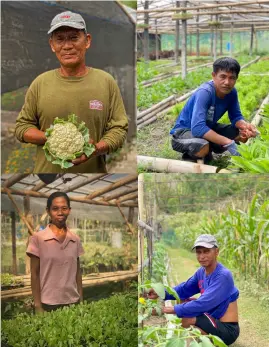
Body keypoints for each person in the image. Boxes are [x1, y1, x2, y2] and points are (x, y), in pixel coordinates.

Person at [15, 11, 128, 173]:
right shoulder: (40, 83)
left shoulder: (106, 82)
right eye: (60, 39)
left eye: (74, 37)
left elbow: (119, 129)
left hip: (94, 177)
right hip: (47, 176)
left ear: (87, 41)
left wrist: (94, 149)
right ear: (52, 45)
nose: (67, 46)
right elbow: (22, 126)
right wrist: (53, 137)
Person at [147, 234, 240, 346]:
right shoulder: (201, 272)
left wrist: (168, 309)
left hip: (227, 330)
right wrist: (160, 293)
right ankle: (195, 339)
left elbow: (203, 304)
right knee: (184, 301)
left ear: (216, 252)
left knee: (188, 315)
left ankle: (192, 341)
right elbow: (183, 289)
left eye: (206, 251)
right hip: (212, 319)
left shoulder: (223, 276)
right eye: (199, 252)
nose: (202, 256)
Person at [170, 57, 258, 163]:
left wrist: (245, 126)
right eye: (223, 77)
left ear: (236, 78)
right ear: (214, 76)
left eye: (232, 78)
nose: (227, 82)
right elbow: (197, 128)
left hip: (207, 127)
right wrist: (228, 142)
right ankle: (193, 156)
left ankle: (208, 150)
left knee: (238, 132)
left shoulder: (232, 93)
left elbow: (236, 117)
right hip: (183, 132)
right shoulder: (205, 92)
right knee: (201, 145)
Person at [26, 192, 84, 313]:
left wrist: (81, 299)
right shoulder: (38, 238)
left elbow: (77, 273)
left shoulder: (75, 239)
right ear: (48, 211)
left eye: (64, 208)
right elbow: (35, 274)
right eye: (55, 209)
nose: (60, 212)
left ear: (69, 210)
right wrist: (38, 306)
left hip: (73, 302)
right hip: (47, 304)